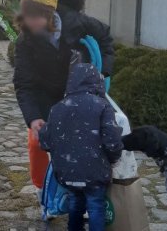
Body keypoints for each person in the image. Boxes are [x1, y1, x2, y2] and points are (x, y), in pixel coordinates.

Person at [13, 0, 115, 213]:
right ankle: (43, 191)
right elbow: (24, 84)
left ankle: (86, 191)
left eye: (35, 16)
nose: (29, 22)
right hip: (45, 95)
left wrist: (103, 72)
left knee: (87, 142)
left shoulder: (78, 23)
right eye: (26, 16)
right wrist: (33, 118)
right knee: (36, 141)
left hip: (81, 93)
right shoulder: (24, 41)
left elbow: (106, 40)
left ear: (49, 14)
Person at [39, 62, 123, 231]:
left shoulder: (57, 108)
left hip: (67, 172)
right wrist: (113, 158)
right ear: (96, 81)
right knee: (96, 207)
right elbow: (112, 140)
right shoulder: (102, 106)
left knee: (75, 205)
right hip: (95, 171)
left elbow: (45, 141)